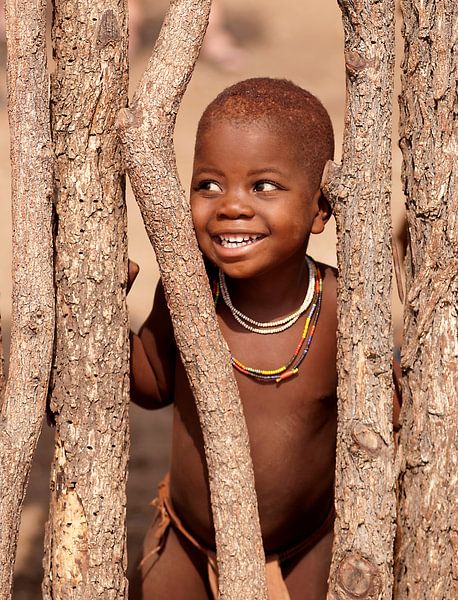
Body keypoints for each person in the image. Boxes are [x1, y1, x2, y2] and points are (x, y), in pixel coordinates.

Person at [128, 78, 399, 600]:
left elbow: (385, 421)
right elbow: (151, 383)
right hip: (190, 540)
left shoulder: (340, 310)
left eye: (264, 186)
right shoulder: (189, 290)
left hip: (306, 546)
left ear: (321, 209)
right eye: (208, 184)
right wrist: (100, 310)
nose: (230, 206)